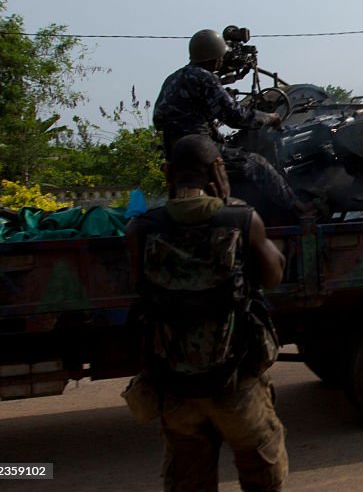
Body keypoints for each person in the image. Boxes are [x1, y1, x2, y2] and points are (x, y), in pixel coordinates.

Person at [126, 134, 288, 492]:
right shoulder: (243, 219)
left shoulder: (142, 228)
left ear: (168, 173)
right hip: (236, 383)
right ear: (217, 169)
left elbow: (139, 287)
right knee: (262, 474)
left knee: (188, 480)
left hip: (175, 387)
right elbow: (274, 277)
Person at [154, 28, 309, 224]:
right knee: (257, 164)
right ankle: (300, 209)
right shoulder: (205, 78)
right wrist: (270, 117)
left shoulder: (174, 78)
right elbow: (237, 117)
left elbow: (159, 118)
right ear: (217, 59)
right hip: (202, 149)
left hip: (175, 153)